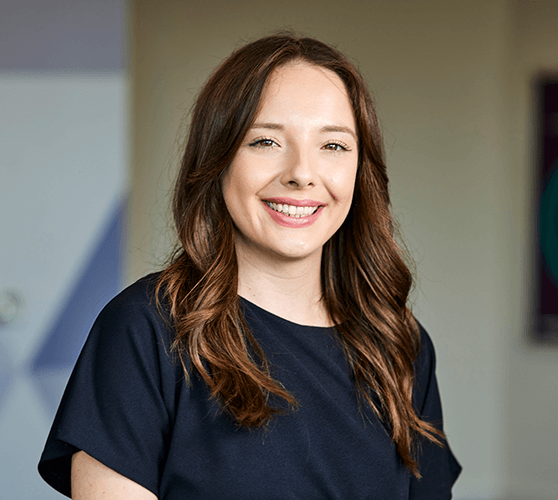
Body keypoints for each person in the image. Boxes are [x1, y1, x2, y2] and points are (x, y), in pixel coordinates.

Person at [39, 33, 461, 499]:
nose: (302, 173)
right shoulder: (147, 327)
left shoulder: (399, 343)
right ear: (217, 161)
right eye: (265, 141)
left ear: (361, 172)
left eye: (334, 146)